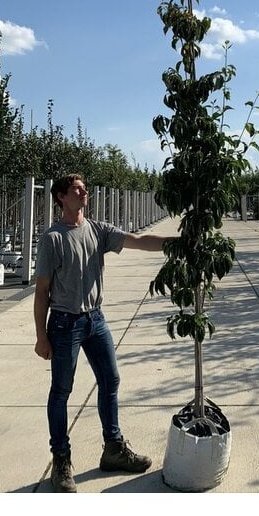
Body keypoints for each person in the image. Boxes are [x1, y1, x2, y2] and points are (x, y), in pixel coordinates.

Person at [34, 173, 170, 493]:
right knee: (62, 391)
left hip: (95, 320)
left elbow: (138, 241)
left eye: (85, 189)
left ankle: (113, 448)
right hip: (65, 323)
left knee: (110, 380)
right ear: (61, 198)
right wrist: (41, 336)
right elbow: (42, 291)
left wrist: (174, 244)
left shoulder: (97, 230)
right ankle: (62, 460)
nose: (85, 193)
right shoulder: (53, 239)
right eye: (77, 190)